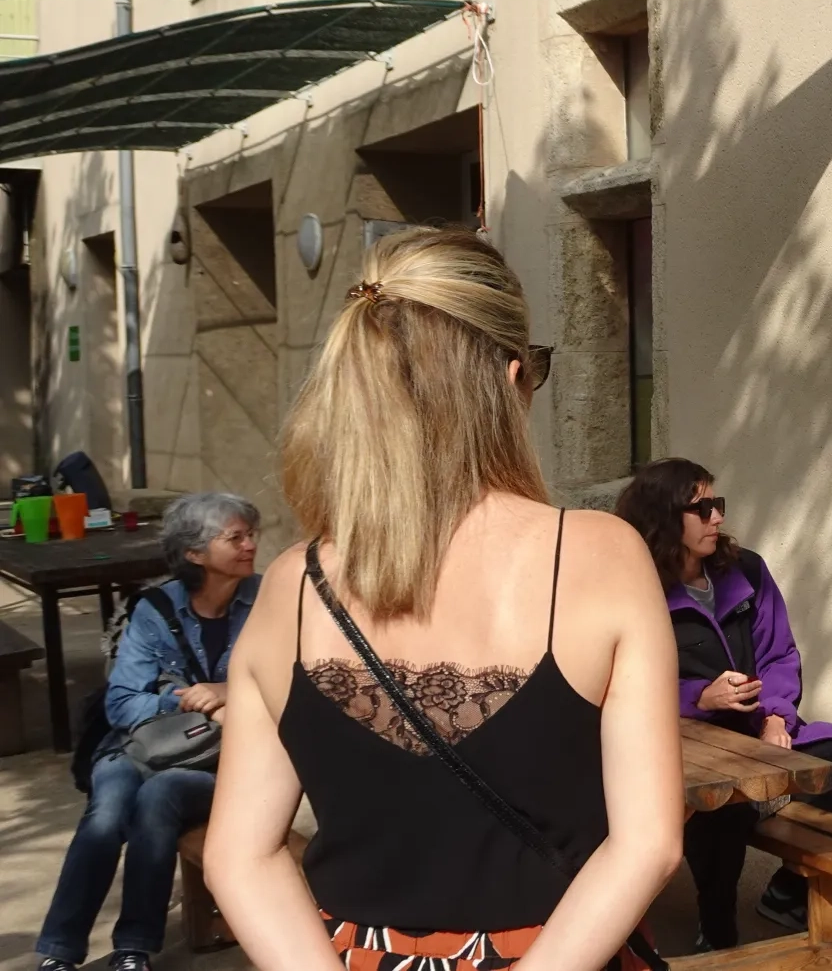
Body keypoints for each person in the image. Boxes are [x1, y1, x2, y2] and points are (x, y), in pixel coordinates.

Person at [202, 228, 684, 971]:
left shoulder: (292, 587)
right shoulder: (597, 553)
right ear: (511, 379)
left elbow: (239, 857)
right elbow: (647, 843)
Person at [614, 458, 832, 952]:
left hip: (769, 736)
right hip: (692, 752)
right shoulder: (637, 590)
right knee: (721, 807)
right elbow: (625, 682)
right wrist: (699, 697)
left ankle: (792, 895)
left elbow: (780, 654)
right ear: (664, 517)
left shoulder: (747, 572)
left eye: (717, 504)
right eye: (702, 509)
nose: (717, 517)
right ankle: (717, 928)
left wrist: (777, 717)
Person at [36, 491, 263, 971]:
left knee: (161, 795)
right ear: (194, 553)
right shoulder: (154, 608)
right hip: (141, 746)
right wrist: (191, 701)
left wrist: (229, 692)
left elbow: (291, 681)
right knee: (108, 809)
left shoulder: (267, 602)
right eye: (235, 537)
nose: (250, 546)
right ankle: (58, 953)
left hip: (227, 760)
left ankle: (133, 948)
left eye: (251, 535)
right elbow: (122, 703)